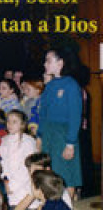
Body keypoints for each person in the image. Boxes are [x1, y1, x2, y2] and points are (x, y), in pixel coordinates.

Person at [37, 48, 82, 198]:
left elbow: (75, 116)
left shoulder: (71, 85)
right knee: (50, 174)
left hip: (64, 135)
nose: (45, 64)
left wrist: (70, 143)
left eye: (48, 61)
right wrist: (40, 136)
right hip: (49, 134)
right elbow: (43, 114)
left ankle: (67, 205)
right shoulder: (49, 86)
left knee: (66, 175)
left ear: (60, 63)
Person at [0, 110, 37, 209]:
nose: (10, 124)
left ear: (22, 125)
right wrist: (5, 179)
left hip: (25, 187)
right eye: (8, 121)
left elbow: (27, 168)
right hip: (11, 190)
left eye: (14, 122)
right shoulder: (5, 140)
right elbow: (4, 163)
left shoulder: (28, 141)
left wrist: (12, 185)